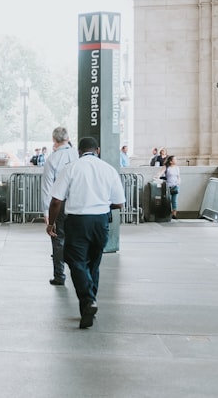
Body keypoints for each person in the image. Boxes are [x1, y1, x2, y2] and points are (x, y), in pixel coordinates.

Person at [47, 136, 126, 329]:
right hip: (101, 221)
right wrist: (101, 202)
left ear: (79, 152)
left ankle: (89, 300)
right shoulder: (109, 170)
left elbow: (57, 200)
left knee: (75, 261)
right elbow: (119, 203)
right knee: (94, 263)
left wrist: (51, 223)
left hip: (77, 221)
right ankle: (88, 307)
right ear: (97, 150)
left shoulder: (72, 168)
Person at [41, 126, 78, 286]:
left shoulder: (52, 159)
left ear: (54, 140)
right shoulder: (77, 155)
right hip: (78, 203)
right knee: (77, 240)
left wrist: (46, 212)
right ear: (68, 138)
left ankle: (59, 275)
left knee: (58, 239)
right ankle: (78, 273)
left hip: (60, 204)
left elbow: (47, 188)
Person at [159, 155, 181, 220]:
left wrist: (178, 182)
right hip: (168, 186)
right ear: (171, 161)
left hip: (175, 186)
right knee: (168, 200)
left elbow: (178, 176)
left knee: (175, 201)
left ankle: (174, 214)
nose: (176, 161)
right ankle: (167, 213)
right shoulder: (166, 167)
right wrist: (157, 177)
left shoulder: (177, 168)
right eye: (175, 159)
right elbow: (160, 173)